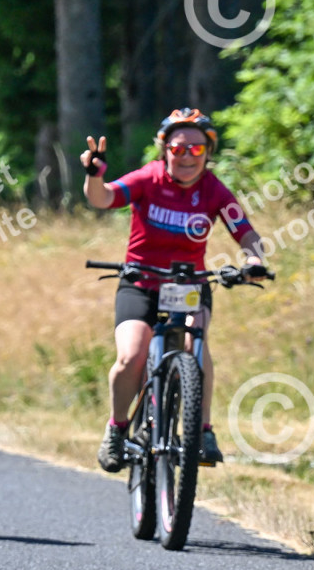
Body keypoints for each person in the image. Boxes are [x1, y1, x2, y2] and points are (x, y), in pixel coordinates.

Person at [82, 109, 268, 472]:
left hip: (189, 284)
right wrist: (94, 175)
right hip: (141, 282)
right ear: (164, 150)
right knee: (132, 356)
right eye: (178, 149)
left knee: (195, 345)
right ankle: (117, 429)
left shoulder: (212, 189)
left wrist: (253, 260)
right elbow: (103, 198)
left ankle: (203, 431)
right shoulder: (148, 178)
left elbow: (245, 231)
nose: (186, 157)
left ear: (208, 153)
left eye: (196, 150)